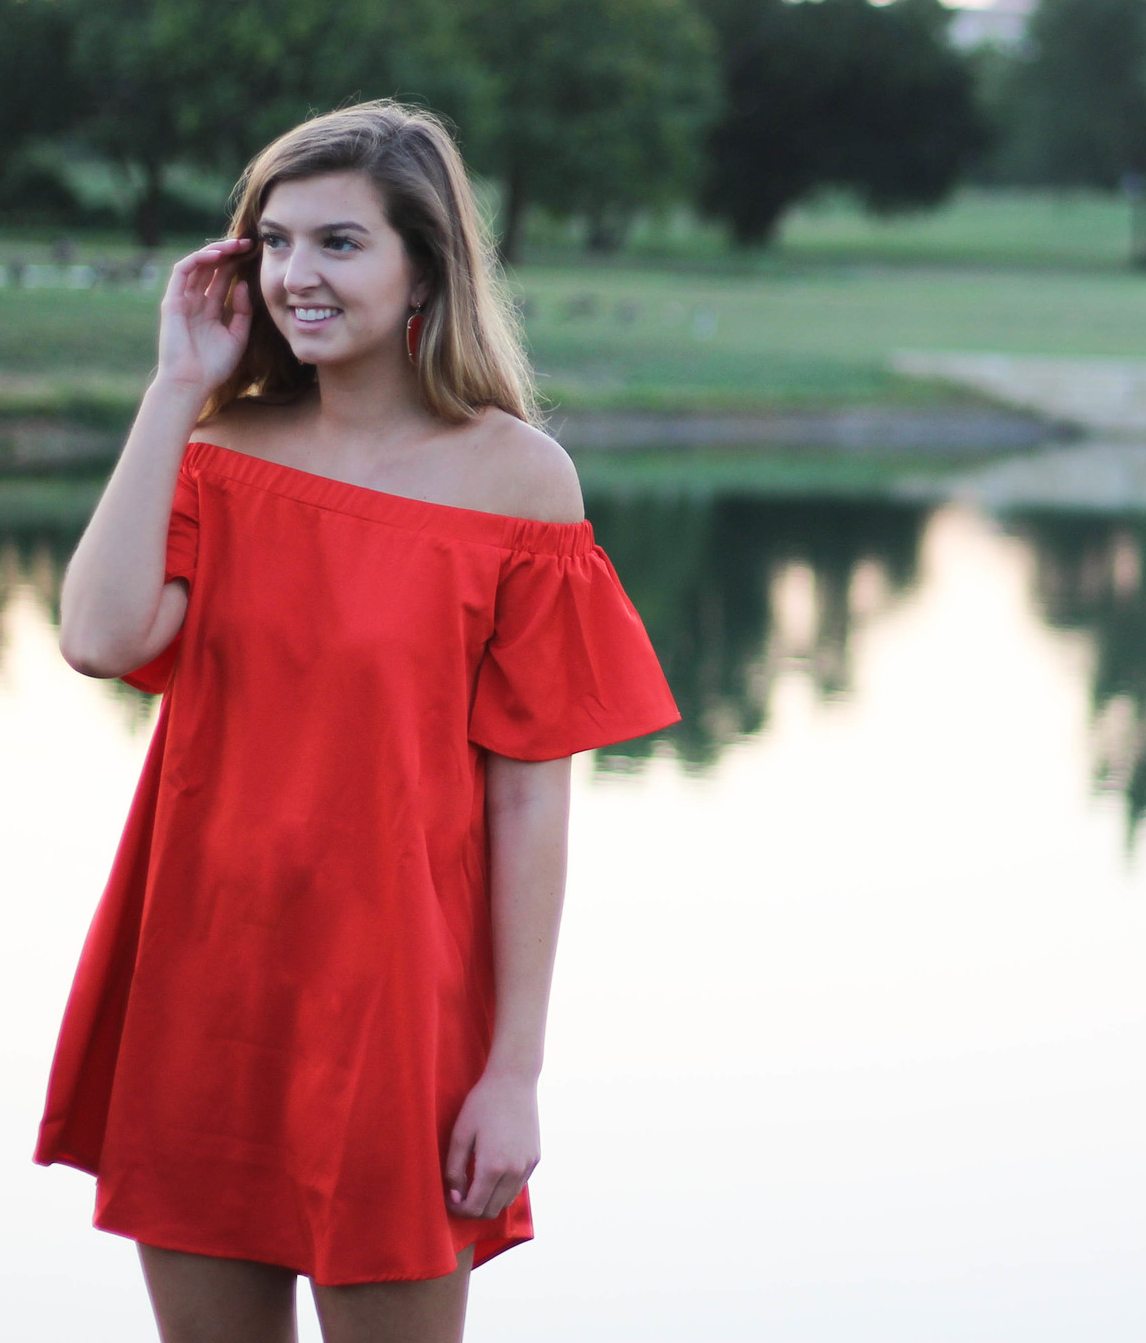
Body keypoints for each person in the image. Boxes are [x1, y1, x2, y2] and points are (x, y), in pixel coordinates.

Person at [38, 101, 678, 1342]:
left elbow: (530, 794)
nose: (293, 277)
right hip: (205, 977)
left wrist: (513, 1070)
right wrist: (175, 388)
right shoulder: (217, 448)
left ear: (426, 265)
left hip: (396, 1003)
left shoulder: (520, 480)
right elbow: (98, 638)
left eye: (338, 243)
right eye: (273, 243)